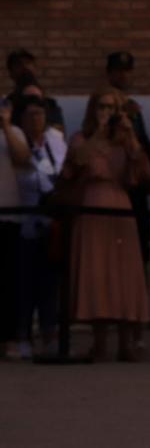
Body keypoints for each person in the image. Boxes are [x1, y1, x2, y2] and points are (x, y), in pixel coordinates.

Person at [59, 87, 150, 361]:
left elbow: (143, 173)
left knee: (122, 273)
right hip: (91, 205)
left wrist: (131, 135)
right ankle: (98, 342)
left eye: (112, 108)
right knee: (96, 273)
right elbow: (75, 162)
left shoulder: (124, 140)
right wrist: (100, 133)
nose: (107, 113)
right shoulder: (82, 138)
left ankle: (127, 342)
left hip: (119, 205)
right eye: (102, 107)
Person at [106, 51, 150, 270]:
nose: (123, 77)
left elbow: (145, 147)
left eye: (127, 72)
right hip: (112, 190)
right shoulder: (102, 107)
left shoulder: (134, 108)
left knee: (139, 257)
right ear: (109, 74)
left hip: (136, 192)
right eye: (118, 71)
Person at [12, 96, 67, 358]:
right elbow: (26, 167)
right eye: (31, 114)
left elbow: (63, 171)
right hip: (26, 220)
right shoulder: (16, 141)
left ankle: (50, 334)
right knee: (25, 283)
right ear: (21, 119)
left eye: (40, 114)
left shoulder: (55, 141)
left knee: (50, 283)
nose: (37, 120)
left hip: (52, 221)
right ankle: (23, 336)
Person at [0, 95, 31, 360]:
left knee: (9, 282)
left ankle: (10, 338)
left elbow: (23, 158)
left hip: (10, 216)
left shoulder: (15, 131)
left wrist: (6, 126)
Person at [6, 50, 64, 130]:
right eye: (18, 64)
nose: (25, 67)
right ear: (11, 73)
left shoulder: (50, 104)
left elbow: (59, 133)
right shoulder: (7, 105)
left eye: (28, 63)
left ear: (35, 69)